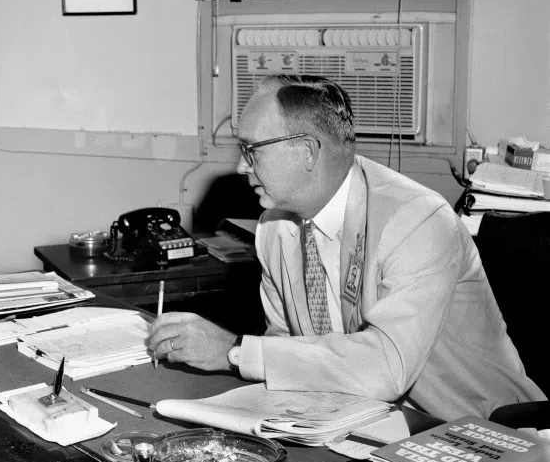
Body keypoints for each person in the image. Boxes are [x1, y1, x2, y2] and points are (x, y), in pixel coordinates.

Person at [148, 74, 545, 420]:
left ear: (306, 150)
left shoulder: (417, 219)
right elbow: (288, 352)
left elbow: (387, 368)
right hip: (359, 419)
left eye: (252, 149)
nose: (240, 166)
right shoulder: (274, 227)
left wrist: (233, 351)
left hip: (474, 426)